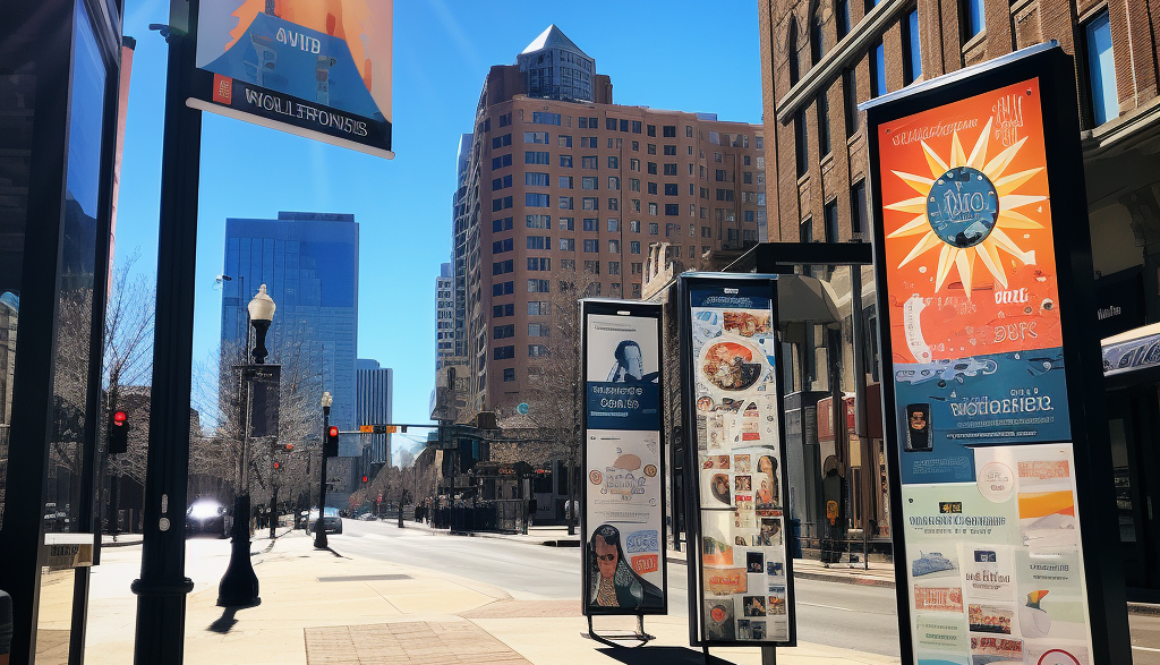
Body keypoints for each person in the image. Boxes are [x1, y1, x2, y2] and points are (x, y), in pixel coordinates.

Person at [589, 524, 664, 609]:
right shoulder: (592, 584)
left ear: (618, 555)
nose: (605, 563)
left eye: (610, 557)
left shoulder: (636, 588)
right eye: (601, 557)